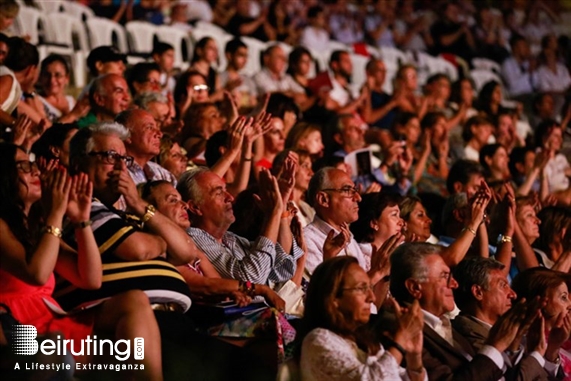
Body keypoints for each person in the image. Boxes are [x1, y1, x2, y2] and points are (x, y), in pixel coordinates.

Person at [0, 142, 163, 379]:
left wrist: (80, 220)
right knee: (58, 352)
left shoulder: (34, 230)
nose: (36, 171)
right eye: (24, 166)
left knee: (134, 302)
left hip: (51, 321)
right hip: (18, 330)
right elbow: (37, 274)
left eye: (33, 164)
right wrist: (55, 213)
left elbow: (91, 279)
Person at [389, 242, 522, 381]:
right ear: (415, 287)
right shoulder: (399, 330)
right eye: (445, 276)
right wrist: (495, 346)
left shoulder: (451, 328)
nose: (454, 284)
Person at [299, 256, 426, 381]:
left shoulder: (365, 343)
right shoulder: (318, 340)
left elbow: (395, 376)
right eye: (361, 288)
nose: (372, 298)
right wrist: (400, 341)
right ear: (333, 298)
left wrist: (414, 357)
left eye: (370, 288)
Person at [177, 168, 304, 284]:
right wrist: (274, 213)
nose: (230, 197)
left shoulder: (230, 238)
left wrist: (280, 210)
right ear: (195, 207)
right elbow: (251, 280)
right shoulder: (193, 239)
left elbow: (281, 269)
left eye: (226, 190)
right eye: (219, 193)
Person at [452, 257, 557, 379]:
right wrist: (537, 352)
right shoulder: (468, 337)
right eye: (503, 285)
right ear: (478, 292)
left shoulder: (507, 333)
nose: (513, 294)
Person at [511, 268, 571, 377]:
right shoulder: (521, 347)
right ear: (541, 303)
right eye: (563, 297)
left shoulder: (563, 339)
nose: (570, 304)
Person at [115, 109, 176, 187]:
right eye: (149, 128)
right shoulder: (117, 172)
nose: (159, 134)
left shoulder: (162, 174)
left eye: (158, 128)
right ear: (127, 135)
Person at [38, 54, 85, 123]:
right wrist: (72, 115)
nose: (52, 80)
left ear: (67, 78)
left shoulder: (71, 102)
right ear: (40, 77)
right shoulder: (37, 101)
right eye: (47, 75)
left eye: (58, 75)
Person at [190, 37, 223, 102]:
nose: (215, 52)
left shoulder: (213, 73)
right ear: (199, 50)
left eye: (216, 49)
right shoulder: (192, 72)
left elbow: (219, 94)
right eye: (211, 48)